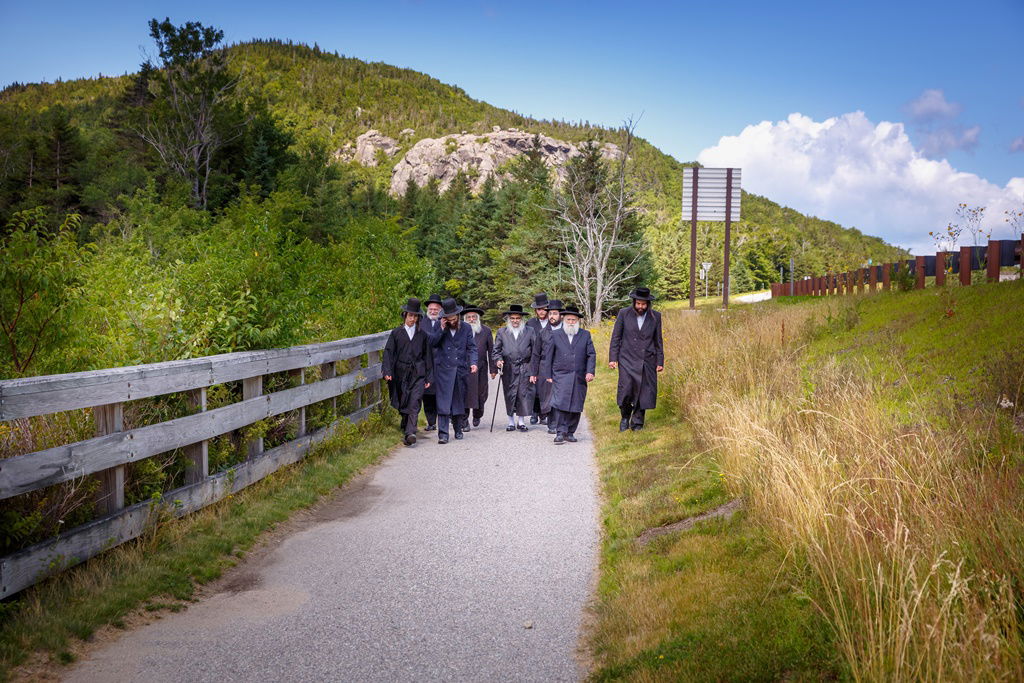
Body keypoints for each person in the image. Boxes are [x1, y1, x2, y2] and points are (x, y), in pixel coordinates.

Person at [608, 286, 664, 432]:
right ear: (634, 302)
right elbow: (616, 337)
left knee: (643, 392)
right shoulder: (623, 313)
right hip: (626, 359)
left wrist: (660, 361)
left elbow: (658, 340)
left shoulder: (656, 317)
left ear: (648, 304)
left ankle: (637, 422)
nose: (640, 307)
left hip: (647, 360)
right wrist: (613, 358)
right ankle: (625, 417)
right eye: (638, 303)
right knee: (626, 389)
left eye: (643, 304)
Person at [382, 298, 434, 446]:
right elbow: (388, 353)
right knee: (403, 400)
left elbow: (427, 356)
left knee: (415, 401)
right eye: (410, 315)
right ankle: (406, 423)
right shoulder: (396, 333)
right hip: (400, 373)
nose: (412, 319)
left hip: (418, 373)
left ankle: (410, 433)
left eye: (415, 316)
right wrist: (387, 370)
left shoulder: (422, 335)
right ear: (405, 315)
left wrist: (429, 377)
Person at [542, 304, 596, 444]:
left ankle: (570, 432)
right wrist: (548, 375)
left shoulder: (585, 335)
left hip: (579, 376)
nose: (571, 322)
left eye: (574, 320)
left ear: (578, 321)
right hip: (560, 375)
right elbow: (548, 356)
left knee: (576, 403)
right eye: (568, 319)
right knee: (560, 403)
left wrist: (590, 371)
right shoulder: (555, 335)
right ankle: (560, 432)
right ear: (563, 319)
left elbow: (591, 354)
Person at [428, 298, 478, 444]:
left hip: (460, 370)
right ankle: (443, 434)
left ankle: (458, 429)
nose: (452, 321)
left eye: (453, 318)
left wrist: (473, 362)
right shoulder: (439, 326)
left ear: (457, 315)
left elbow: (472, 347)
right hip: (443, 370)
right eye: (448, 319)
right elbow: (432, 343)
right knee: (443, 403)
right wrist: (442, 330)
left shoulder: (466, 328)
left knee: (458, 402)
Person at [492, 304, 539, 432]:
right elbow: (496, 351)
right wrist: (498, 360)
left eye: (517, 318)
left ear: (521, 319)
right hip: (508, 368)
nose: (515, 321)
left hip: (525, 367)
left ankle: (521, 422)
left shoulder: (530, 331)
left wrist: (534, 370)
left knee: (523, 394)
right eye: (512, 318)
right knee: (510, 394)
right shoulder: (502, 332)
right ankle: (511, 422)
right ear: (509, 319)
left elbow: (535, 351)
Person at [461, 305, 496, 430]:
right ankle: (464, 420)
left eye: (474, 317)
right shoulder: (460, 330)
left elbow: (491, 351)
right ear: (465, 319)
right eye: (469, 317)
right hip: (464, 368)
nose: (471, 319)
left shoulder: (486, 331)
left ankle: (477, 414)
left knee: (481, 394)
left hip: (481, 368)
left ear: (478, 318)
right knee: (464, 394)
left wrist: (493, 369)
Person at [531, 299, 563, 433]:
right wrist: (533, 372)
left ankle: (560, 422)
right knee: (547, 396)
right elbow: (536, 353)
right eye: (550, 314)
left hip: (562, 367)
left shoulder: (567, 330)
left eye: (555, 313)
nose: (552, 316)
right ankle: (552, 423)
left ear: (561, 315)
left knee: (561, 395)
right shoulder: (543, 332)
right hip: (545, 367)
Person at [419, 293, 444, 431]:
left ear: (440, 310)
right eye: (431, 309)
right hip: (426, 361)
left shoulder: (445, 321)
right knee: (427, 393)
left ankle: (444, 419)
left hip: (441, 361)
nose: (433, 311)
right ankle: (431, 422)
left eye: (436, 309)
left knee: (441, 392)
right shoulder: (421, 323)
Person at [525, 292, 550, 424]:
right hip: (533, 359)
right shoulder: (530, 323)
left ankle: (544, 414)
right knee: (533, 388)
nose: (541, 311)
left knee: (546, 388)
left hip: (548, 359)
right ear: (535, 310)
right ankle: (534, 412)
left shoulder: (553, 322)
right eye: (539, 309)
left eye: (544, 309)